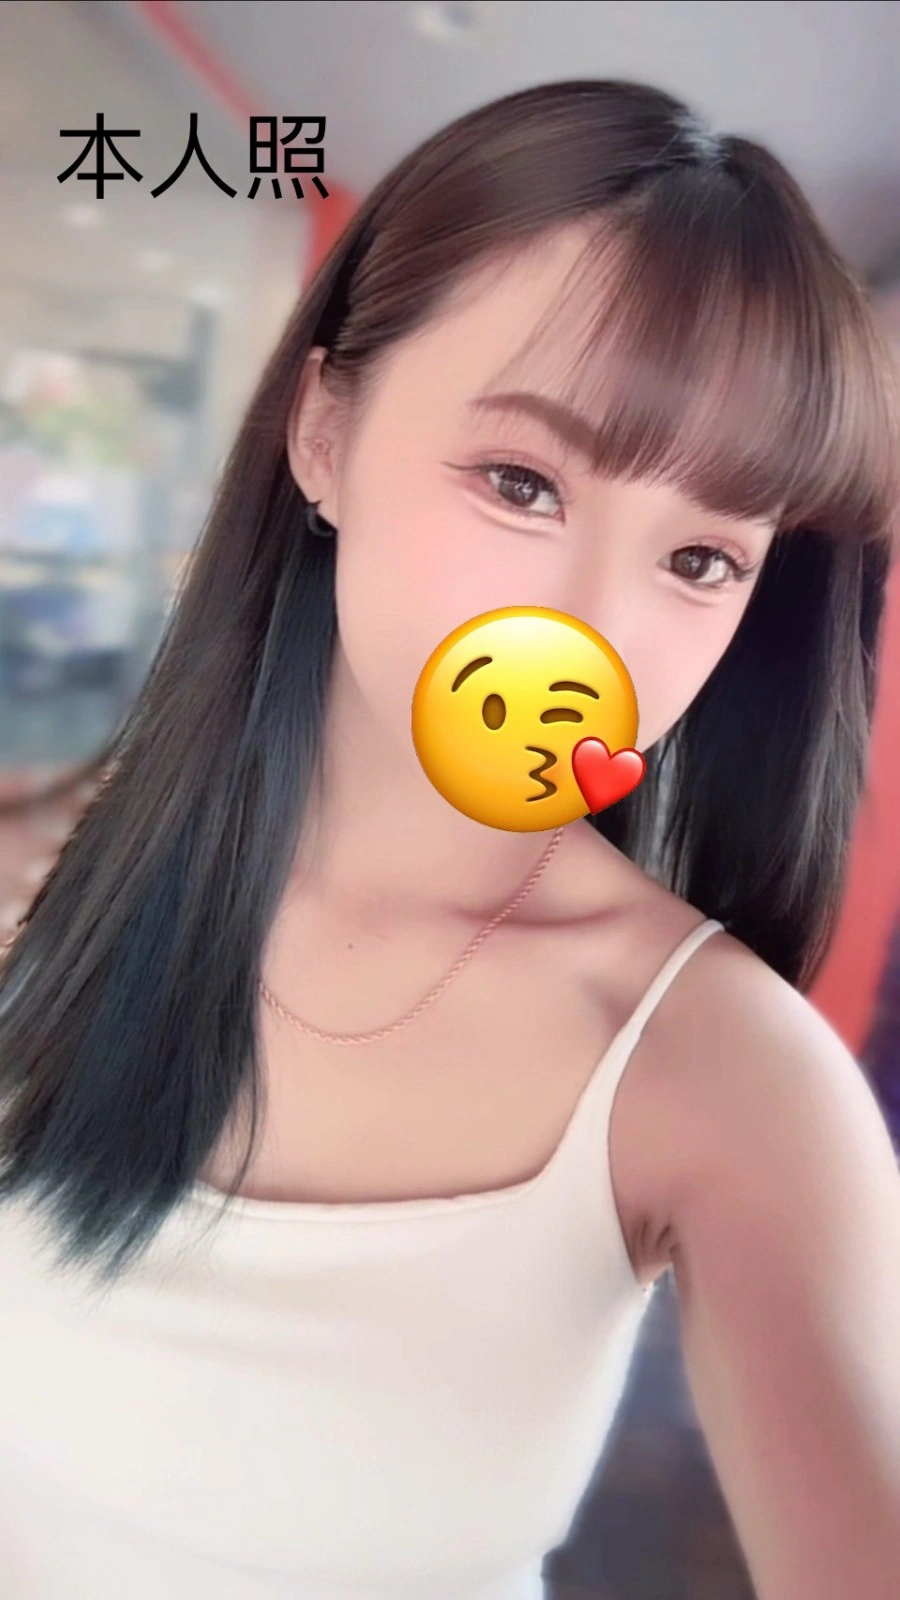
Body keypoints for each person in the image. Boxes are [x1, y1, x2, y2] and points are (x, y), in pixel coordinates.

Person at [0, 77, 899, 1600]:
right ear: (325, 433)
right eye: (521, 483)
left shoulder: (728, 1074)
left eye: (701, 558)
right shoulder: (58, 878)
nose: (595, 630)